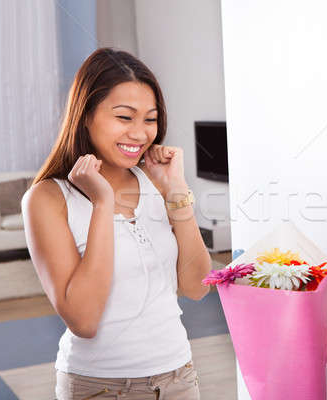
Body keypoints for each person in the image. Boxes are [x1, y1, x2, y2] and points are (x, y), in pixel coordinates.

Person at [21, 47, 211, 400]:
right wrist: (102, 202)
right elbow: (84, 320)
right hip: (102, 388)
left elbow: (198, 286)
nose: (140, 134)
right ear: (86, 115)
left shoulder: (155, 180)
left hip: (179, 378)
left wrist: (177, 191)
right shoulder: (47, 199)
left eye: (150, 119)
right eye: (125, 117)